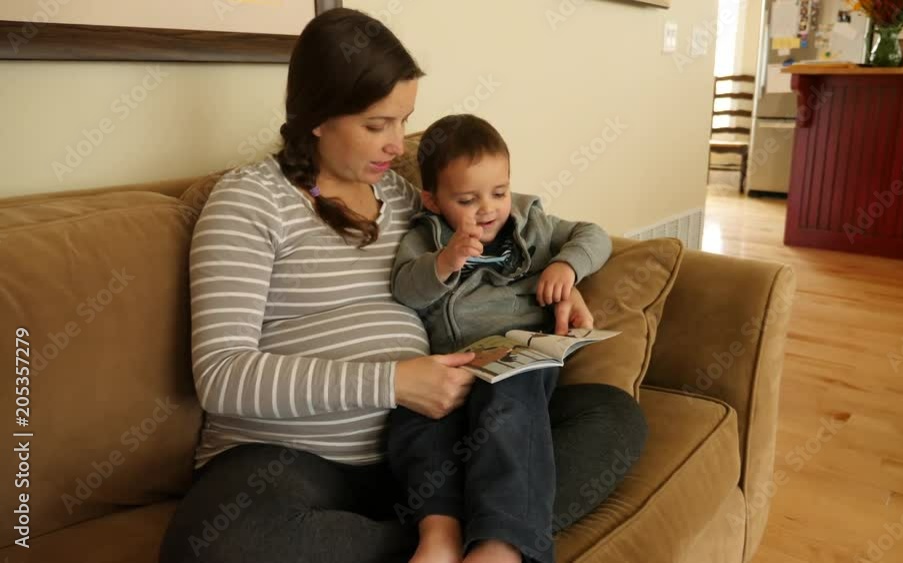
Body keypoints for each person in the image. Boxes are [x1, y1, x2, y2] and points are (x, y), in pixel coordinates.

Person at [158, 8, 647, 563]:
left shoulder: (405, 199)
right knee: (216, 544)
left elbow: (500, 232)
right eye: (376, 124)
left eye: (403, 120)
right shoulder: (249, 201)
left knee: (611, 417)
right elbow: (222, 377)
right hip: (291, 461)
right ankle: (474, 532)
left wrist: (564, 278)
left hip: (424, 448)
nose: (397, 145)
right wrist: (392, 383)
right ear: (316, 117)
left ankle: (484, 537)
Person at [388, 114, 612, 563]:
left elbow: (594, 234)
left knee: (507, 402)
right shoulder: (425, 237)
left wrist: (566, 266)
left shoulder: (530, 222)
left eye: (499, 192)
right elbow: (404, 288)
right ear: (432, 200)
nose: (488, 209)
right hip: (456, 368)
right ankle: (439, 535)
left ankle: (500, 543)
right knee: (412, 424)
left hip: (519, 360)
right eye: (467, 199)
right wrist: (444, 262)